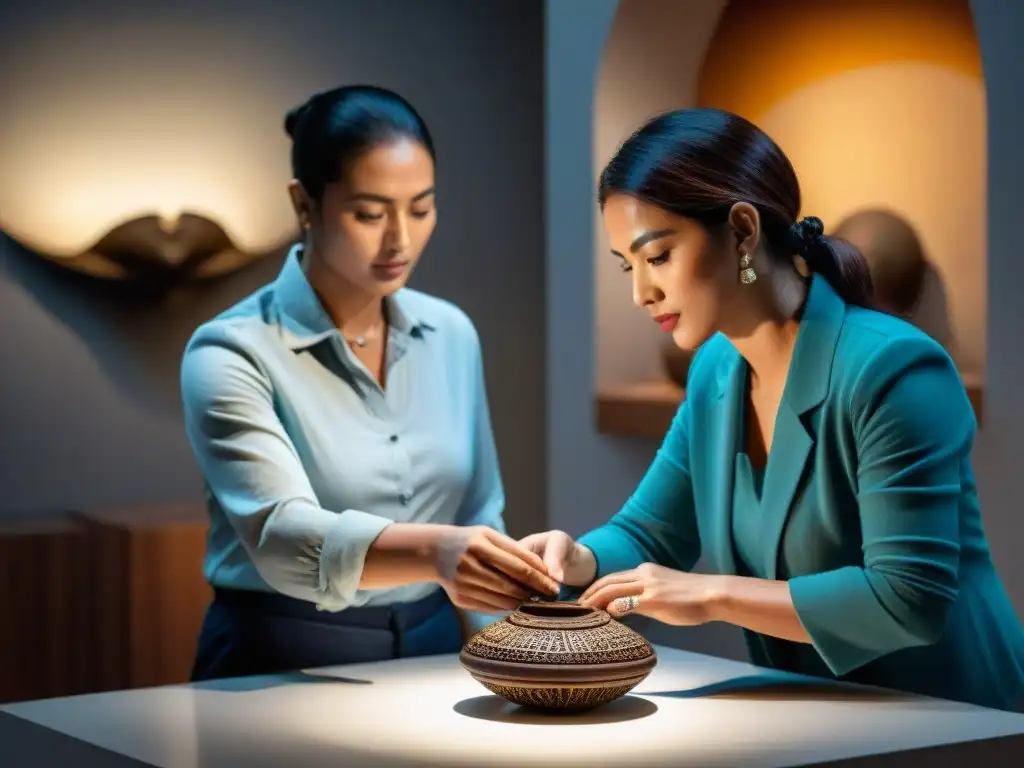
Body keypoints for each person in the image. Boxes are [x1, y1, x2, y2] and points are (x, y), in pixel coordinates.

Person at [522, 107, 1024, 712]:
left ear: (741, 231)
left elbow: (908, 597)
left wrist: (710, 595)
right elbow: (650, 533)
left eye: (657, 258)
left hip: (960, 720)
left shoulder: (893, 368)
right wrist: (577, 558)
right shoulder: (716, 371)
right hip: (819, 718)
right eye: (629, 266)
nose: (640, 293)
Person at [180, 85, 558, 681]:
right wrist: (436, 552)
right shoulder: (231, 350)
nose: (400, 240)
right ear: (304, 204)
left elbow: (481, 508)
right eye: (370, 213)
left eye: (421, 207)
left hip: (436, 651)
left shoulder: (451, 333)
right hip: (280, 659)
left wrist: (514, 663)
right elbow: (282, 538)